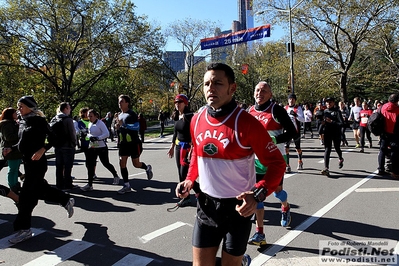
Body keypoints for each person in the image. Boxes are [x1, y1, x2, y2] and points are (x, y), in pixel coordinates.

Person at [175, 63, 286, 266]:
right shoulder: (197, 120)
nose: (211, 88)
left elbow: (278, 164)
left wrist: (258, 195)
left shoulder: (248, 123)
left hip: (238, 209)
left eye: (218, 83)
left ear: (232, 88)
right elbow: (197, 157)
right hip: (207, 206)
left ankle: (241, 261)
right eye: (207, 83)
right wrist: (189, 180)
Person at [4, 96, 74, 244]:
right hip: (28, 163)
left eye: (21, 106)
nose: (19, 109)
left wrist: (43, 149)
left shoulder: (39, 121)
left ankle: (24, 230)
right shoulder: (22, 122)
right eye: (18, 106)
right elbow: (23, 144)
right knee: (40, 190)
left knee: (26, 199)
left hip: (38, 164)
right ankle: (65, 199)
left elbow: (55, 138)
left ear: (30, 107)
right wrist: (11, 148)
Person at [247, 82, 296, 246]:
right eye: (257, 90)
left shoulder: (276, 110)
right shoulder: (250, 111)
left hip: (275, 159)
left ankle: (285, 206)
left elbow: (293, 132)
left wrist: (273, 140)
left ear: (270, 94)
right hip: (256, 160)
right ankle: (259, 233)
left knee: (277, 192)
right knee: (257, 195)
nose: (259, 93)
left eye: (264, 90)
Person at [116, 95, 153, 194]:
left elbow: (137, 127)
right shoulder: (119, 115)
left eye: (122, 101)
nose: (120, 103)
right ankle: (126, 185)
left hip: (133, 143)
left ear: (127, 103)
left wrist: (123, 125)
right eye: (119, 102)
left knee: (136, 164)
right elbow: (118, 128)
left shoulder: (131, 114)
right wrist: (116, 127)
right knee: (122, 162)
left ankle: (147, 168)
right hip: (123, 143)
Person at [167, 94, 199, 207]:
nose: (177, 104)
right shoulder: (177, 116)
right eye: (176, 102)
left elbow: (194, 133)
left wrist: (192, 149)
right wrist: (171, 147)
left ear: (185, 103)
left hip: (188, 148)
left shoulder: (189, 116)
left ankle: (200, 193)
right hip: (178, 147)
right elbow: (175, 133)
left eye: (180, 102)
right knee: (180, 174)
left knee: (184, 173)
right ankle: (186, 197)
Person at [80, 109, 120, 191]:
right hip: (92, 147)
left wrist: (98, 138)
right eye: (88, 116)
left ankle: (115, 175)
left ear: (95, 116)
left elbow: (107, 134)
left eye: (91, 116)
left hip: (101, 147)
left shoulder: (100, 123)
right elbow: (90, 133)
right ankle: (90, 184)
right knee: (90, 165)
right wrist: (86, 134)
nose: (89, 118)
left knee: (105, 163)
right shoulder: (90, 123)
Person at [50, 102, 77, 190]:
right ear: (65, 109)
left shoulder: (54, 118)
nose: (70, 110)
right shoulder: (68, 120)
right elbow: (72, 133)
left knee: (59, 166)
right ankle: (68, 184)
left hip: (58, 146)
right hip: (68, 146)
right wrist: (74, 143)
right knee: (68, 166)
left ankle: (59, 184)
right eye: (69, 108)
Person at [320, 97, 345, 177]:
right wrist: (322, 123)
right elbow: (320, 121)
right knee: (327, 149)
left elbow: (342, 124)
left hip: (336, 133)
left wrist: (332, 122)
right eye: (327, 102)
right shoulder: (325, 111)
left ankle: (340, 158)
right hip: (327, 133)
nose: (328, 104)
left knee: (337, 147)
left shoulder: (337, 112)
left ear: (334, 103)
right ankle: (326, 168)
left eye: (330, 102)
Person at [0, 108, 23, 193]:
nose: (16, 114)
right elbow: (9, 137)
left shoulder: (11, 123)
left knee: (15, 168)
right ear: (10, 114)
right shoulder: (7, 124)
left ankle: (15, 185)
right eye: (14, 112)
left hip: (14, 150)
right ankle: (13, 186)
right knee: (12, 169)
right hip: (10, 150)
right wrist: (20, 134)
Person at [379, 93, 399, 178]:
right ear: (397, 101)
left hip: (384, 132)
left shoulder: (382, 107)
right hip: (394, 133)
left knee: (382, 150)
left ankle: (381, 169)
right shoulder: (398, 109)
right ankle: (394, 172)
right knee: (395, 152)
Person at [284, 93, 305, 172]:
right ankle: (287, 165)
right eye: (290, 99)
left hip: (296, 131)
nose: (291, 100)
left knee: (297, 148)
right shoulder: (285, 108)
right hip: (287, 131)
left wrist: (296, 115)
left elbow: (303, 120)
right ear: (288, 100)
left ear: (295, 100)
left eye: (293, 99)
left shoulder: (298, 108)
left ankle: (300, 161)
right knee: (286, 148)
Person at [77, 107, 97, 180]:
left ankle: (93, 172)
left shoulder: (92, 121)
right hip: (86, 142)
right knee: (88, 159)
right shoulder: (80, 122)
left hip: (94, 142)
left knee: (94, 158)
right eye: (87, 112)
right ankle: (90, 172)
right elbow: (84, 131)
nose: (88, 114)